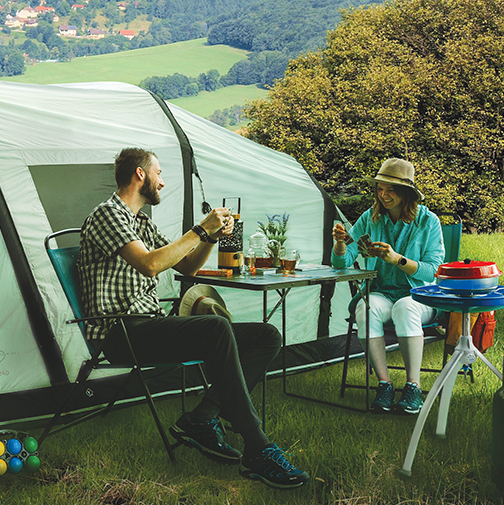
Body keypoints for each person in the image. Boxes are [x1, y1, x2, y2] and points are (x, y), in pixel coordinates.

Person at [77, 147, 309, 490]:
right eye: (158, 174)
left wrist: (211, 237)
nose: (163, 181)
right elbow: (151, 264)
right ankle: (256, 447)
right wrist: (200, 229)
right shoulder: (108, 215)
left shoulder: (140, 221)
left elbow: (186, 266)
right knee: (216, 327)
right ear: (140, 175)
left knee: (266, 336)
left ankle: (201, 418)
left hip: (148, 326)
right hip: (120, 332)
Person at [331, 158, 444, 415]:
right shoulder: (370, 219)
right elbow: (342, 262)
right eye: (380, 189)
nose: (383, 195)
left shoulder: (428, 222)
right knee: (365, 307)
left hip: (420, 296)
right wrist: (340, 244)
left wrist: (398, 260)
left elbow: (433, 270)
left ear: (406, 193)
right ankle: (384, 384)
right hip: (383, 293)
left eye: (390, 190)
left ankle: (413, 387)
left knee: (405, 307)